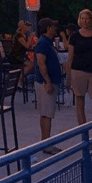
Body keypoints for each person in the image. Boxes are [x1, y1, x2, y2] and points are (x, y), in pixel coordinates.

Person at [64, 9, 92, 126]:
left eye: (87, 18)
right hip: (78, 70)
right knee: (80, 102)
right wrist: (68, 77)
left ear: (91, 20)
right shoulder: (74, 36)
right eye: (82, 18)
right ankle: (83, 131)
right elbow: (70, 57)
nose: (85, 21)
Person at [34, 17, 64, 153]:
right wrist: (47, 81)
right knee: (47, 113)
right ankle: (46, 144)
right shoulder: (43, 44)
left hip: (49, 80)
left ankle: (45, 141)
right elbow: (41, 62)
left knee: (46, 113)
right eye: (53, 26)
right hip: (45, 82)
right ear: (48, 28)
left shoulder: (48, 42)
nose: (55, 28)